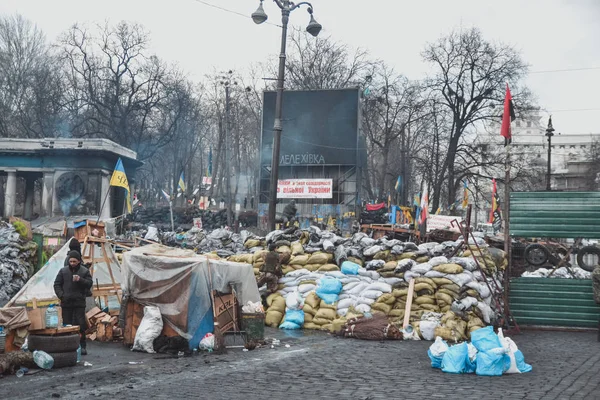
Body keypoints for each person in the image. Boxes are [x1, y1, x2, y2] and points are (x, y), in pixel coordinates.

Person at [54, 250, 93, 355]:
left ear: (79, 261)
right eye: (70, 261)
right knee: (66, 324)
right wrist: (61, 295)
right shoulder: (63, 271)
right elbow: (57, 284)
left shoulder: (84, 271)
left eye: (74, 261)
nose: (72, 263)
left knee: (80, 325)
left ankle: (82, 345)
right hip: (66, 303)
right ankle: (67, 346)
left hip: (79, 302)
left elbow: (89, 284)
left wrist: (80, 280)